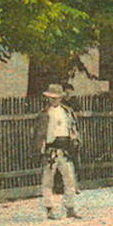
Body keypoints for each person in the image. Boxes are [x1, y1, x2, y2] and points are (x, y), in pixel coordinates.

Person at [36, 84, 83, 219]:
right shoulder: (44, 114)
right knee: (47, 181)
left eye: (57, 98)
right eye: (51, 98)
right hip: (51, 150)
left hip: (65, 149)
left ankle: (70, 208)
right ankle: (49, 209)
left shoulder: (67, 112)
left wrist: (75, 143)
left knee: (70, 180)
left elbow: (73, 128)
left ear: (61, 98)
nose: (54, 100)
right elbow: (39, 135)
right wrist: (41, 150)